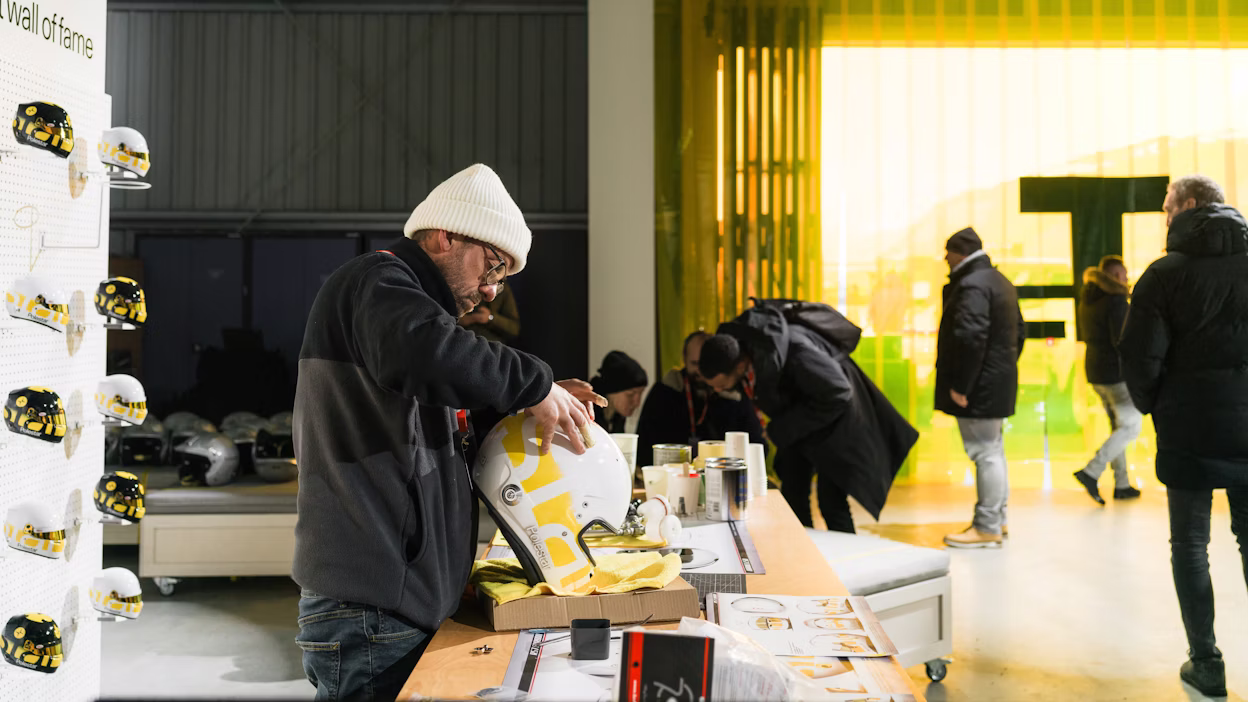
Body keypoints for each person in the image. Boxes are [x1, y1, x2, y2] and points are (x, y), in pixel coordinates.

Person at [291, 164, 605, 702]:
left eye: (503, 278)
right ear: (446, 235)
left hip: (396, 602)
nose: (489, 290)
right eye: (492, 265)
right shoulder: (378, 282)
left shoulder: (406, 316)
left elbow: (431, 408)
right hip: (373, 608)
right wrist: (534, 383)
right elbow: (425, 351)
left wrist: (524, 408)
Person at [1120, 174, 1248, 698]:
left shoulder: (1163, 275)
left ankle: (1206, 662)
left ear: (1189, 206)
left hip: (1189, 428)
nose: (1164, 216)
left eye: (1166, 207)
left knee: (1191, 544)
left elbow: (1137, 356)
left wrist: (1157, 406)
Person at [699, 300, 917, 533]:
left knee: (832, 502)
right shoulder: (753, 350)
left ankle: (846, 564)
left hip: (839, 427)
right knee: (793, 495)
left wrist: (779, 429)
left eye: (721, 384)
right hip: (806, 429)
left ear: (740, 365)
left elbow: (839, 392)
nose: (719, 390)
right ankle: (804, 554)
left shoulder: (794, 351)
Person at [935, 227, 1026, 549]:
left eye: (947, 252)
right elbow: (1020, 334)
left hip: (977, 386)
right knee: (994, 451)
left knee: (985, 454)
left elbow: (969, 338)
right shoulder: (999, 281)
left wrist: (961, 384)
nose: (945, 258)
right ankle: (997, 520)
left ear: (960, 252)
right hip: (995, 382)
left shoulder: (971, 285)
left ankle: (986, 526)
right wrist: (1001, 371)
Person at [634, 330, 765, 467]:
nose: (701, 372)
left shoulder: (733, 393)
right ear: (684, 359)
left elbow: (756, 444)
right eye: (695, 363)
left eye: (706, 365)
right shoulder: (666, 391)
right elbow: (644, 446)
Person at [1074, 255, 1143, 504]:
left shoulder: (1088, 299)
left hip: (1095, 371)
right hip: (1116, 373)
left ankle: (1122, 484)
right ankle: (1092, 471)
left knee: (1118, 427)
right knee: (1132, 425)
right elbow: (1122, 342)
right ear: (1115, 276)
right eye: (1124, 275)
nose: (1127, 279)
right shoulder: (1116, 301)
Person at [589, 350, 648, 433]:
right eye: (630, 395)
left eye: (641, 393)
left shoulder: (617, 417)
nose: (637, 403)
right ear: (611, 392)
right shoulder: (588, 416)